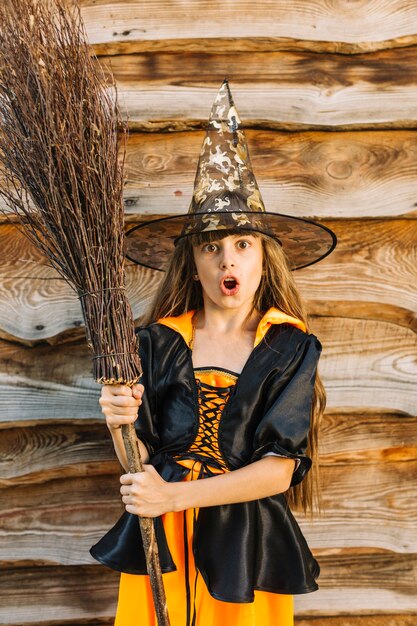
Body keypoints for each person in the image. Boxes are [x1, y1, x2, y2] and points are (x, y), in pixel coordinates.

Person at [90, 80, 337, 626]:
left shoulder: (289, 346)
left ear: (264, 260)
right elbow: (138, 451)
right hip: (163, 538)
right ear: (193, 262)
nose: (228, 261)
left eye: (243, 245)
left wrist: (173, 499)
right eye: (211, 247)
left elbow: (278, 469)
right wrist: (116, 418)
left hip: (244, 538)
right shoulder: (156, 342)